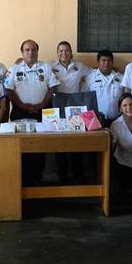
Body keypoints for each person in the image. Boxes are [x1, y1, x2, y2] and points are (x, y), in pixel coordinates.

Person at [5, 40, 59, 184]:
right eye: (27, 50)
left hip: (42, 111)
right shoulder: (14, 68)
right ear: (22, 52)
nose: (30, 52)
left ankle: (37, 177)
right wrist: (22, 105)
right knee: (22, 145)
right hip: (19, 112)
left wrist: (41, 104)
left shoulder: (46, 67)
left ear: (37, 51)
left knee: (39, 145)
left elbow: (52, 88)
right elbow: (9, 90)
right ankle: (23, 177)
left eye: (33, 49)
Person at [52, 41, 92, 182]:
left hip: (75, 107)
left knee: (76, 140)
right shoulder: (51, 67)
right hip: (58, 106)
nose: (64, 53)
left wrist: (115, 69)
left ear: (71, 52)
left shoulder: (79, 67)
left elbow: (95, 73)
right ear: (57, 53)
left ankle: (78, 173)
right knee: (59, 140)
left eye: (67, 50)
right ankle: (61, 173)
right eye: (61, 51)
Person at [110, 93, 132, 198]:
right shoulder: (115, 125)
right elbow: (113, 147)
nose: (129, 108)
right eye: (124, 105)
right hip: (123, 161)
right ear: (120, 109)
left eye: (131, 104)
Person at [85, 50, 124, 128]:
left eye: (109, 60)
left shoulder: (121, 77)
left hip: (117, 119)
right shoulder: (90, 77)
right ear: (98, 62)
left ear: (112, 62)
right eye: (103, 60)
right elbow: (86, 98)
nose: (106, 63)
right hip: (96, 119)